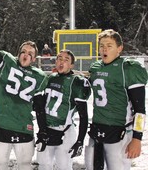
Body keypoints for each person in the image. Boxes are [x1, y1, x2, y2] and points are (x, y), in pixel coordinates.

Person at [0, 9, 48, 170]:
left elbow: (40, 108)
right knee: (0, 165)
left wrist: (43, 131)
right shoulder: (6, 62)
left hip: (24, 126)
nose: (26, 55)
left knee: (25, 166)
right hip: (2, 124)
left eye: (30, 53)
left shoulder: (39, 76)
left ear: (34, 59)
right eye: (23, 51)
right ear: (18, 53)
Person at [85, 29, 148, 170]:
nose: (104, 49)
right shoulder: (95, 68)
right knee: (92, 166)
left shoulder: (128, 69)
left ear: (119, 48)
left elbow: (140, 110)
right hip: (97, 129)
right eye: (101, 45)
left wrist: (137, 138)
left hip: (120, 131)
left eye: (109, 45)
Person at [36, 49, 91, 170]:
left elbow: (83, 115)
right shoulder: (49, 78)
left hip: (65, 132)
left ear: (71, 65)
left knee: (64, 166)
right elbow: (40, 107)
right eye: (59, 58)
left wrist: (80, 140)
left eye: (66, 60)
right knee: (44, 166)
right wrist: (42, 130)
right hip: (47, 130)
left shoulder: (76, 82)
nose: (61, 62)